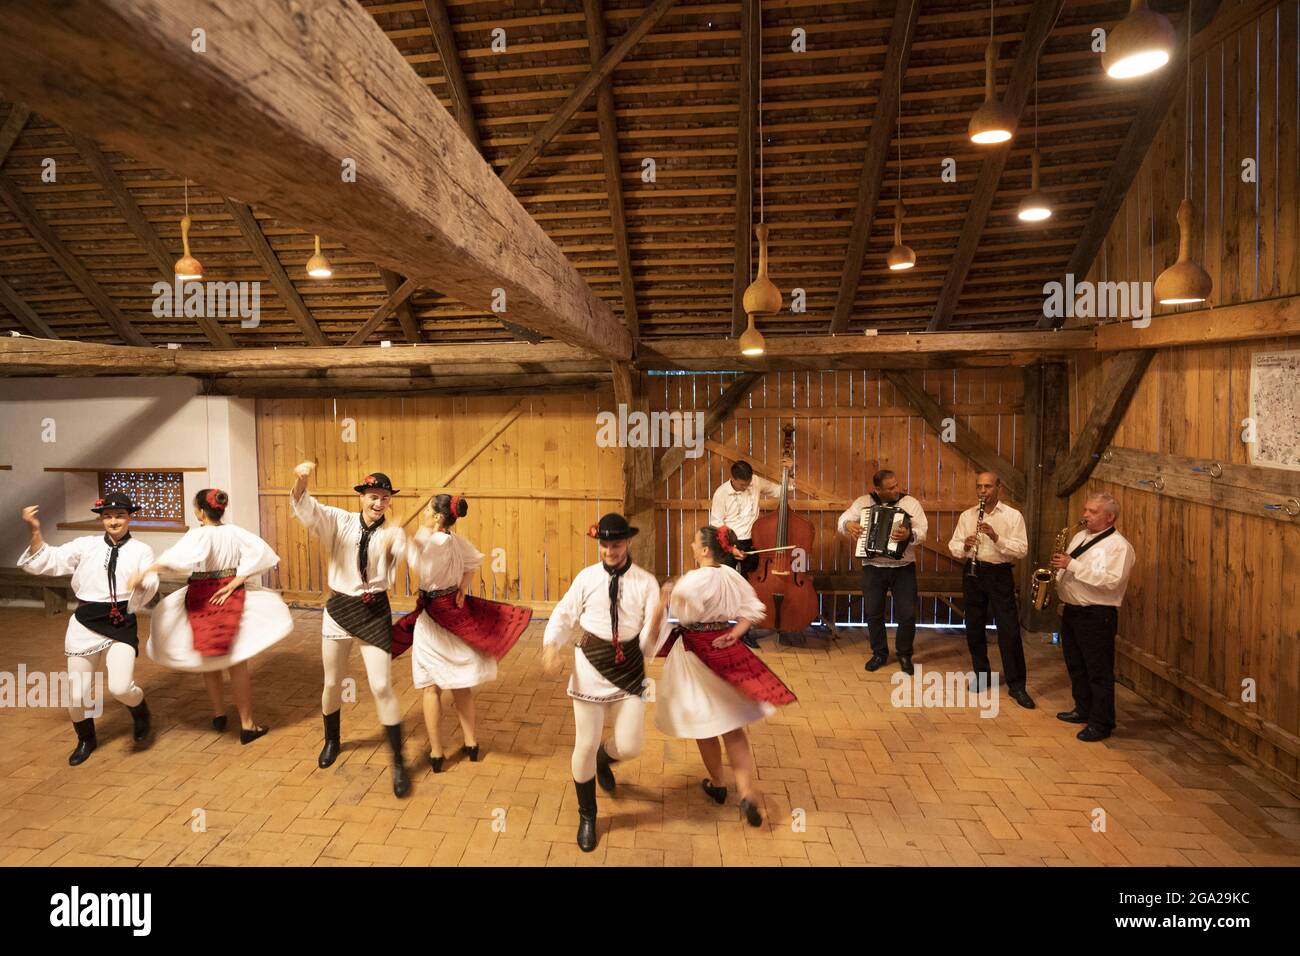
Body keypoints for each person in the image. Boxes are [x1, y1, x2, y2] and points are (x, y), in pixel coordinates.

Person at [651, 525, 797, 827]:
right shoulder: (731, 575)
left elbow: (678, 615)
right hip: (724, 650)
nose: (691, 545)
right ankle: (745, 792)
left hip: (694, 654)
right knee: (733, 726)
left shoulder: (693, 580)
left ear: (705, 550)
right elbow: (753, 611)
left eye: (694, 542)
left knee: (705, 725)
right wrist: (734, 634)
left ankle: (717, 784)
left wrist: (667, 593)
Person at [290, 462, 411, 797]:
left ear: (389, 501)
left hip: (374, 611)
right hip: (340, 608)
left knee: (382, 685)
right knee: (332, 682)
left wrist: (400, 543)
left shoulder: (393, 532)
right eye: (373, 496)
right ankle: (332, 740)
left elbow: (405, 553)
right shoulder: (338, 521)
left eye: (384, 498)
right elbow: (305, 505)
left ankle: (398, 762)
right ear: (362, 497)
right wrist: (302, 480)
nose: (378, 503)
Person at [135, 488, 293, 743]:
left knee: (209, 657)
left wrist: (147, 570)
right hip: (230, 593)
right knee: (236, 659)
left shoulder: (197, 535)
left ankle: (219, 714)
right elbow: (262, 553)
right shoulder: (235, 532)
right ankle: (247, 724)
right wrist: (236, 580)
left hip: (201, 595)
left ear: (199, 511)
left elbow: (176, 561)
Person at [542, 513, 659, 853]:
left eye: (616, 544)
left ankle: (605, 760)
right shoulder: (586, 578)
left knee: (631, 744)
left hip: (631, 668)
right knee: (585, 742)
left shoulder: (646, 582)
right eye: (605, 545)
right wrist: (552, 646)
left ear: (628, 542)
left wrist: (655, 624)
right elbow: (564, 613)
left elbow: (652, 642)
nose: (610, 550)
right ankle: (588, 815)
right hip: (590, 664)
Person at [394, 493, 532, 772]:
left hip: (434, 620)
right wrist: (462, 588)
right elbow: (472, 562)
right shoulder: (455, 541)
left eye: (428, 509)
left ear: (437, 517)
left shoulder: (434, 542)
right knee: (460, 683)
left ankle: (436, 752)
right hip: (455, 614)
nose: (423, 512)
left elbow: (415, 560)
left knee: (431, 687)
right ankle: (471, 743)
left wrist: (397, 535)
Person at [18, 492, 158, 765]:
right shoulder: (86, 545)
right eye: (108, 516)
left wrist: (143, 583)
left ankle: (140, 710)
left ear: (130, 517)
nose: (113, 521)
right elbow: (48, 559)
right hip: (85, 622)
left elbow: (150, 579)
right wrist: (35, 530)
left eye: (119, 515)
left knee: (120, 687)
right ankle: (86, 739)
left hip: (119, 622)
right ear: (102, 519)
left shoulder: (141, 550)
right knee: (77, 694)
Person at [1051, 492, 1135, 742]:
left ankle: (1102, 722)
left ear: (1110, 517)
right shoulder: (1079, 536)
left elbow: (1111, 582)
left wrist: (1071, 565)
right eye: (1086, 510)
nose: (1085, 515)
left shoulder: (1119, 547)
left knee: (1098, 671)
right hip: (1073, 610)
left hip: (1097, 615)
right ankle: (1083, 709)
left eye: (1093, 511)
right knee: (1076, 665)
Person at [947, 473, 1034, 709]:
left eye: (987, 486)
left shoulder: (1013, 516)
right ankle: (982, 675)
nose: (982, 491)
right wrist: (964, 545)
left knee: (1009, 629)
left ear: (999, 487)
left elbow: (1022, 550)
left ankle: (1017, 685)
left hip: (999, 574)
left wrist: (996, 537)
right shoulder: (968, 515)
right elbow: (953, 546)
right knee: (974, 626)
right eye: (979, 486)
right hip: (973, 573)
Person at [836, 469, 928, 674]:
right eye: (891, 488)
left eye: (897, 485)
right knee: (873, 613)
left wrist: (908, 535)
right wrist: (849, 524)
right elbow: (841, 522)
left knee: (907, 614)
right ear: (877, 489)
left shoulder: (910, 503)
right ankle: (879, 653)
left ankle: (904, 654)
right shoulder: (863, 502)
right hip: (873, 567)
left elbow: (923, 532)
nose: (897, 490)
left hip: (903, 567)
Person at [709, 458, 791, 648]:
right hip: (727, 541)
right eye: (742, 484)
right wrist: (730, 547)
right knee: (724, 586)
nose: (747, 487)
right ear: (733, 478)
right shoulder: (721, 493)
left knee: (749, 588)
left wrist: (789, 473)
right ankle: (720, 628)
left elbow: (781, 491)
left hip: (753, 541)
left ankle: (744, 631)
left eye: (748, 484)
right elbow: (716, 524)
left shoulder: (756, 482)